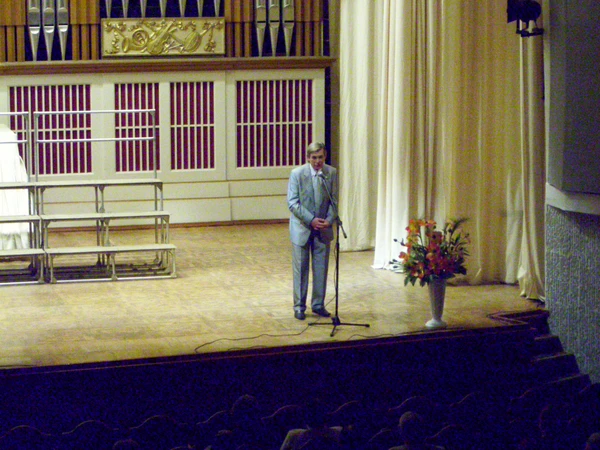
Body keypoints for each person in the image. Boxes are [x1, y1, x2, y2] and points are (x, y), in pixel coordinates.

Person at [287, 142, 338, 320]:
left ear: (325, 157)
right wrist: (311, 220)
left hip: (322, 229)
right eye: (314, 158)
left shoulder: (331, 173)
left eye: (320, 157)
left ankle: (318, 304)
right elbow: (293, 203)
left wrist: (329, 220)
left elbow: (334, 201)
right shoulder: (297, 174)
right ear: (308, 158)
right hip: (302, 228)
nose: (317, 161)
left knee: (321, 268)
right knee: (301, 269)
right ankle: (299, 306)